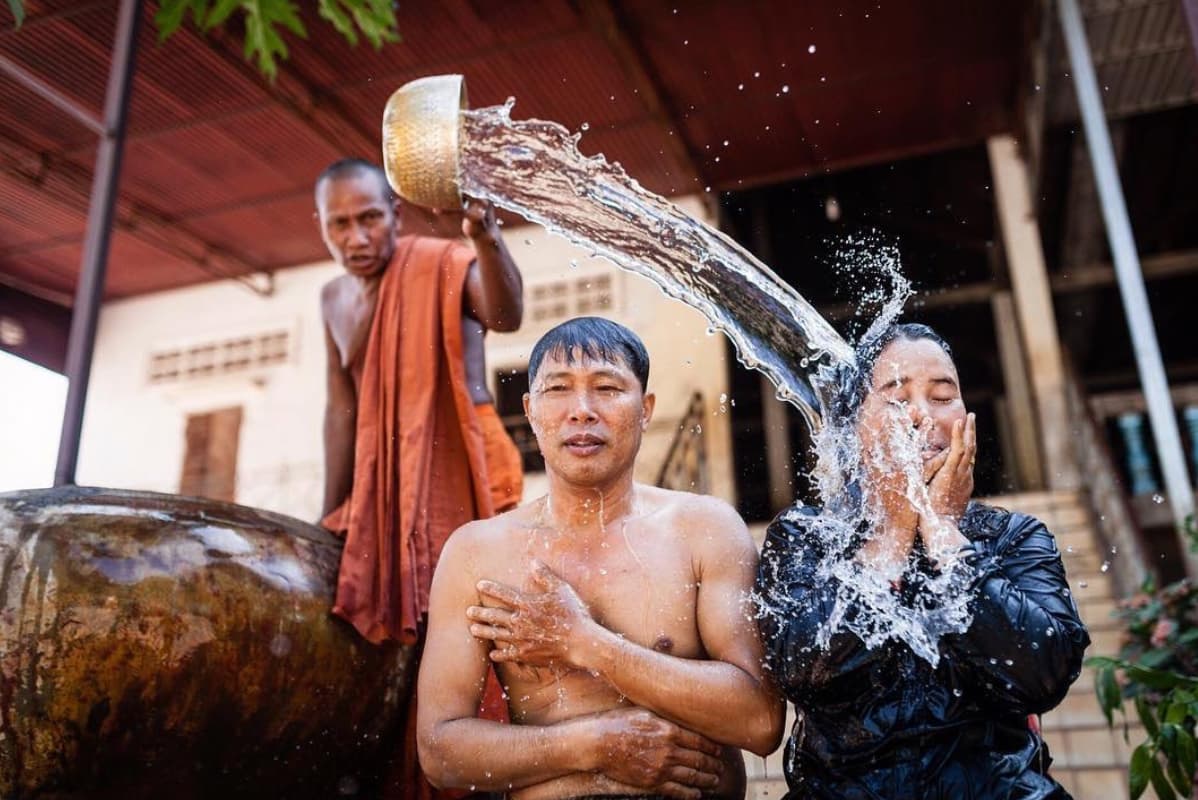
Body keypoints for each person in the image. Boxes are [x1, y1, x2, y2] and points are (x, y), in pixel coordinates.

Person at [416, 317, 784, 800]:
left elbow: (759, 721)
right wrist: (597, 745)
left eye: (607, 388)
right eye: (558, 390)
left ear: (646, 409)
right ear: (529, 410)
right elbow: (440, 751)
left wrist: (584, 642)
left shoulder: (704, 530)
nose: (582, 411)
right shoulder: (477, 552)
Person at [754, 322, 1090, 800]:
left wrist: (943, 533)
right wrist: (892, 537)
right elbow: (802, 668)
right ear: (854, 425)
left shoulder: (1013, 538)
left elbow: (1043, 674)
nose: (920, 415)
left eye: (942, 395)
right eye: (895, 396)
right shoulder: (807, 536)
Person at [315, 158, 525, 798]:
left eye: (370, 219)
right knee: (387, 648)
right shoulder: (331, 298)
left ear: (395, 214)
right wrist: (331, 517)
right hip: (382, 488)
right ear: (321, 226)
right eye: (340, 224)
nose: (356, 238)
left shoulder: (438, 263)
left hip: (464, 468)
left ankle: (480, 774)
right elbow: (341, 410)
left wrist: (485, 239)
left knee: (472, 636)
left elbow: (506, 313)